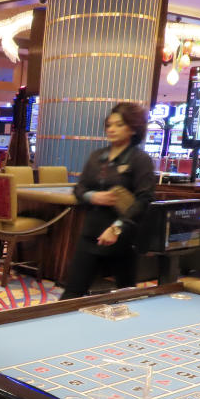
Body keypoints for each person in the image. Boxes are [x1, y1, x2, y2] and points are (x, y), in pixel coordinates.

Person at [60, 102, 156, 300]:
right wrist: (93, 196)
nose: (111, 129)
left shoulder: (140, 160)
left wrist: (117, 228)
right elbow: (79, 189)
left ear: (133, 128)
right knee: (72, 292)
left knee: (126, 295)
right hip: (91, 233)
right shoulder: (97, 157)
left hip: (123, 237)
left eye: (119, 125)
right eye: (109, 125)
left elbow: (144, 200)